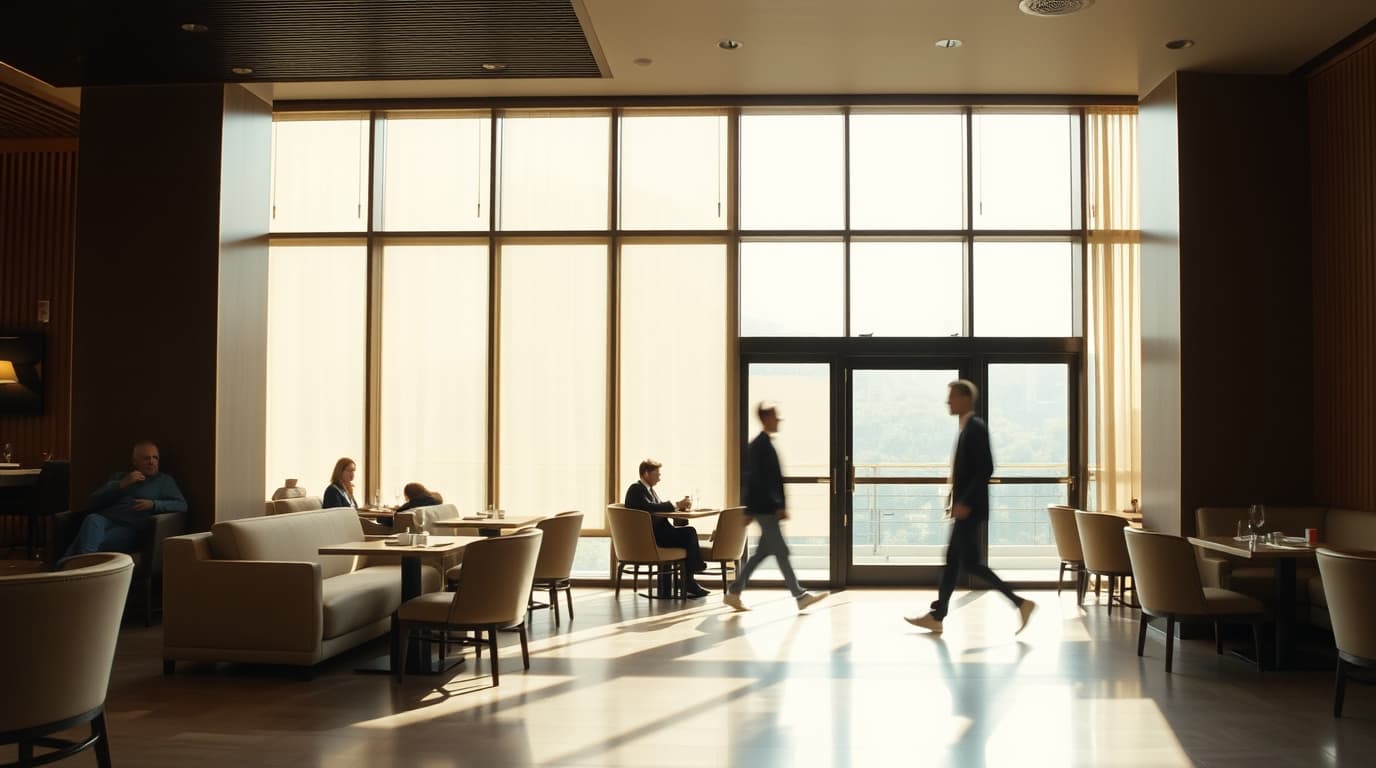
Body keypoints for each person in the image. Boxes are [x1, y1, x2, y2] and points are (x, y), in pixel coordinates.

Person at [906, 380, 1036, 635]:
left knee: (969, 564)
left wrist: (964, 501)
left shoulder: (975, 427)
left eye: (952, 396)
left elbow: (985, 468)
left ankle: (1019, 603)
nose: (948, 401)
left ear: (965, 399)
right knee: (955, 561)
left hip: (970, 509)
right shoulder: (968, 427)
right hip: (967, 507)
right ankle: (938, 615)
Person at [723, 403, 828, 612]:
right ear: (766, 419)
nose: (778, 421)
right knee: (781, 552)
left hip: (766, 508)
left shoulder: (763, 444)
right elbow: (756, 481)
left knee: (762, 553)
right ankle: (800, 596)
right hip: (765, 509)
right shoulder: (759, 446)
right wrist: (766, 507)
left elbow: (768, 479)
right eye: (775, 417)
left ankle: (734, 592)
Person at [63, 440, 187, 558]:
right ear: (135, 462)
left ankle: (68, 564)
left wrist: (154, 504)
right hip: (105, 520)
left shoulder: (164, 481)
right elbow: (93, 502)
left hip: (129, 528)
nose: (151, 462)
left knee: (89, 540)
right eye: (146, 458)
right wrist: (122, 484)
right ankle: (83, 563)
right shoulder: (121, 477)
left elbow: (181, 505)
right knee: (92, 519)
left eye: (155, 457)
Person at [624, 459, 711, 598]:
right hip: (650, 539)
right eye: (657, 474)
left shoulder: (649, 491)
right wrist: (675, 504)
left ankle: (687, 580)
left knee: (688, 532)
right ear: (646, 473)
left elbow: (657, 509)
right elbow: (650, 508)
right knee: (689, 533)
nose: (659, 478)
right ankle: (689, 578)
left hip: (657, 534)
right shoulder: (636, 489)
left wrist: (678, 509)